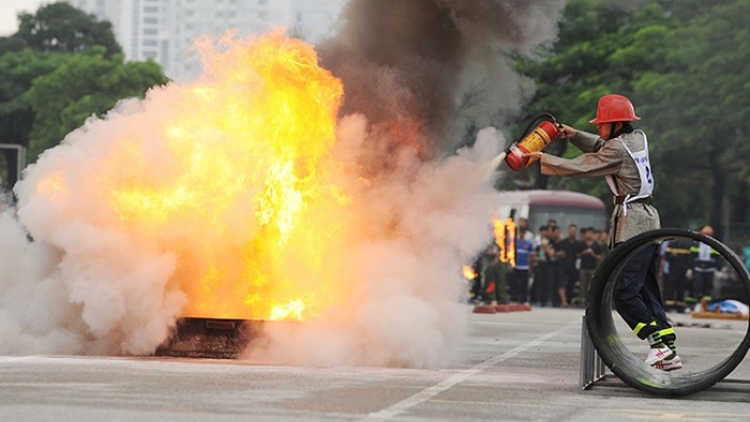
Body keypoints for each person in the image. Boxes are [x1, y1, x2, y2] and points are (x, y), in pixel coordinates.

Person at [523, 93, 681, 371]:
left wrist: (541, 158)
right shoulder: (637, 138)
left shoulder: (617, 149)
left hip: (632, 226)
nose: (597, 127)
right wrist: (573, 135)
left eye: (602, 123)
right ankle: (668, 349)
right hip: (648, 223)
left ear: (617, 125)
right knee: (646, 290)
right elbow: (603, 146)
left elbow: (583, 164)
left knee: (623, 292)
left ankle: (656, 345)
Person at [687, 225, 721, 310]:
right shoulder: (696, 244)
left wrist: (719, 269)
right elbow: (691, 257)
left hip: (710, 269)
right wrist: (690, 269)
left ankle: (706, 306)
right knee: (697, 286)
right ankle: (694, 306)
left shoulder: (714, 244)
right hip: (698, 269)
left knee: (708, 288)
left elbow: (718, 258)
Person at [576, 227, 604, 307]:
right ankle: (581, 301)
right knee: (582, 285)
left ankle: (590, 302)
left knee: (591, 286)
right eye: (587, 233)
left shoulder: (597, 245)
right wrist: (583, 253)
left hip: (592, 268)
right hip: (583, 267)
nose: (589, 235)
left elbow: (600, 257)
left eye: (591, 233)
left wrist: (593, 254)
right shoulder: (581, 244)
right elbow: (576, 255)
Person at [558, 224, 582, 307]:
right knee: (561, 282)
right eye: (571, 231)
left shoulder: (578, 244)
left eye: (574, 231)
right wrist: (560, 254)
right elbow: (557, 252)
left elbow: (580, 253)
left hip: (573, 266)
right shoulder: (563, 242)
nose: (573, 232)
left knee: (571, 284)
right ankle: (563, 301)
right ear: (568, 231)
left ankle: (569, 300)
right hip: (563, 265)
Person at [510, 225, 534, 303]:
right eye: (520, 232)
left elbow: (531, 256)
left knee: (524, 285)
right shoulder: (515, 243)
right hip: (516, 266)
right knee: (514, 284)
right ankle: (514, 298)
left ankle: (524, 299)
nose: (521, 234)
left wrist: (530, 266)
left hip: (525, 267)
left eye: (523, 232)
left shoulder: (528, 244)